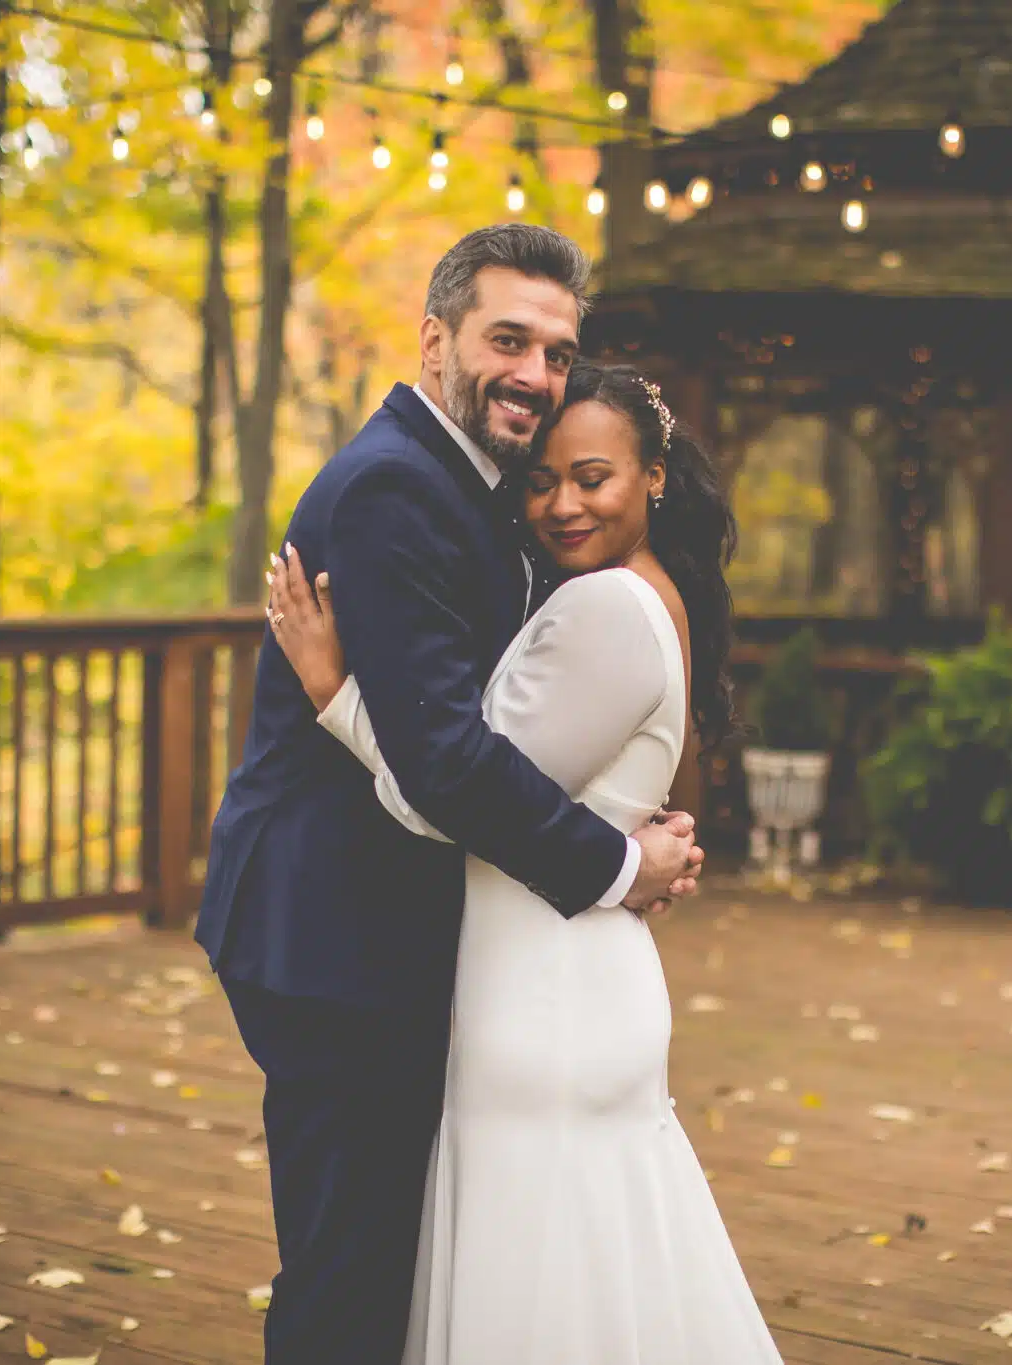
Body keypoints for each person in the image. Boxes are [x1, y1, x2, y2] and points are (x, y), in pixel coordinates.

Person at [193, 224, 706, 1364]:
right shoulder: (394, 489)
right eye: (507, 340)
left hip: (385, 930)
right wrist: (617, 866)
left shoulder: (470, 484)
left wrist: (619, 818)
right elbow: (448, 765)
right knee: (348, 1270)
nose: (534, 373)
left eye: (557, 352)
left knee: (381, 1260)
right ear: (435, 339)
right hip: (330, 934)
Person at [265, 358, 783, 1363]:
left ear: (655, 477)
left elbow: (444, 794)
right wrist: (626, 859)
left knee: (545, 1290)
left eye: (592, 477)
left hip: (550, 1000)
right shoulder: (637, 594)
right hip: (564, 978)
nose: (560, 504)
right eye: (538, 481)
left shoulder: (603, 612)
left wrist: (336, 695)